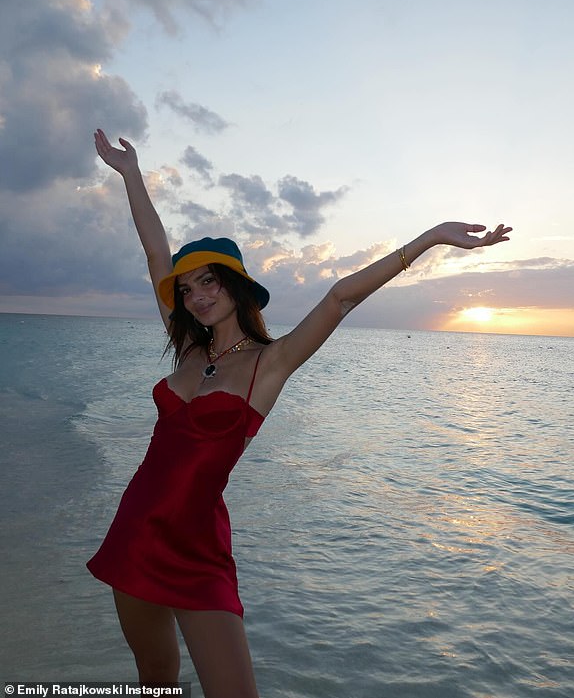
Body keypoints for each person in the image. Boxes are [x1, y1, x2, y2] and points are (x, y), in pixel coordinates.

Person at [87, 128, 512, 698]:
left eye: (207, 281)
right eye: (186, 289)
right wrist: (131, 174)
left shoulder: (272, 363)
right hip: (134, 531)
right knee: (154, 682)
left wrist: (432, 237)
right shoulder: (189, 349)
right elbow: (156, 253)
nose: (195, 297)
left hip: (197, 553)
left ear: (235, 286)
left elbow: (340, 296)